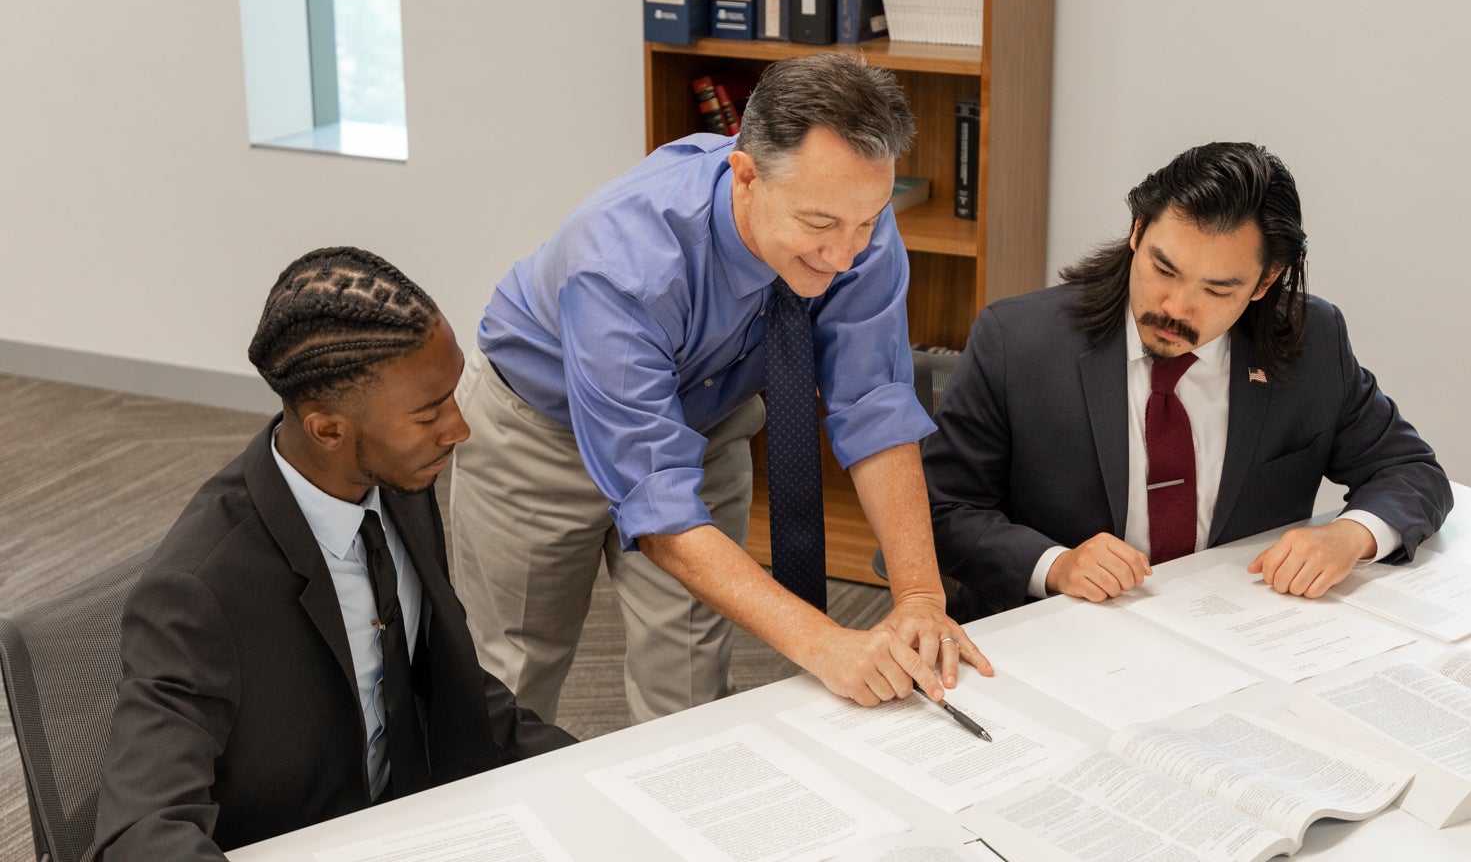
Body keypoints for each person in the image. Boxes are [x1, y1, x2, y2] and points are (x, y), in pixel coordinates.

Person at [451, 52, 988, 723]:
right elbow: (658, 505)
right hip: (536, 431)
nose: (846, 254)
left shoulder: (854, 224)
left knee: (691, 682)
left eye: (867, 222)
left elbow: (874, 405)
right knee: (517, 668)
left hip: (706, 423)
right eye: (819, 225)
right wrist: (827, 645)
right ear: (745, 175)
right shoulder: (624, 260)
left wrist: (919, 599)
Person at [93, 247, 574, 860]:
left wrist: (592, 773)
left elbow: (436, 672)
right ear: (328, 430)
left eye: (452, 397)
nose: (459, 429)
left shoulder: (397, 482)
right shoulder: (198, 593)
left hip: (422, 822)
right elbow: (140, 834)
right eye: (429, 413)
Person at [925, 142, 1453, 621]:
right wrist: (1056, 565)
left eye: (1217, 290)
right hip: (1065, 629)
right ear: (1137, 232)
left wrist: (1349, 535)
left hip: (1239, 630)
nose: (1175, 308)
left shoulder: (1312, 342)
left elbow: (1409, 470)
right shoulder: (1018, 342)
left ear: (1264, 282)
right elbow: (943, 510)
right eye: (1163, 269)